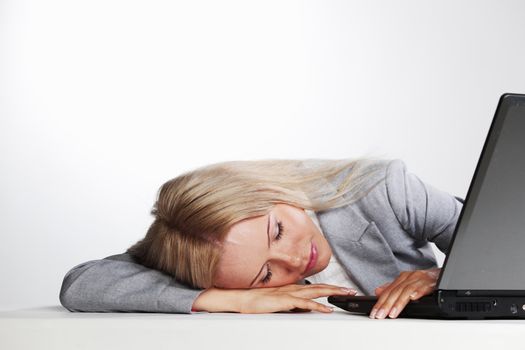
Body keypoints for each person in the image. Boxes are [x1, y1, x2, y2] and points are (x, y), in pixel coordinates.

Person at [59, 157, 462, 319]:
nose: (294, 259)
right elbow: (82, 283)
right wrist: (232, 299)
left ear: (273, 191)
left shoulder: (380, 189)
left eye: (278, 231)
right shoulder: (204, 264)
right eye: (265, 275)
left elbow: (512, 242)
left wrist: (445, 276)